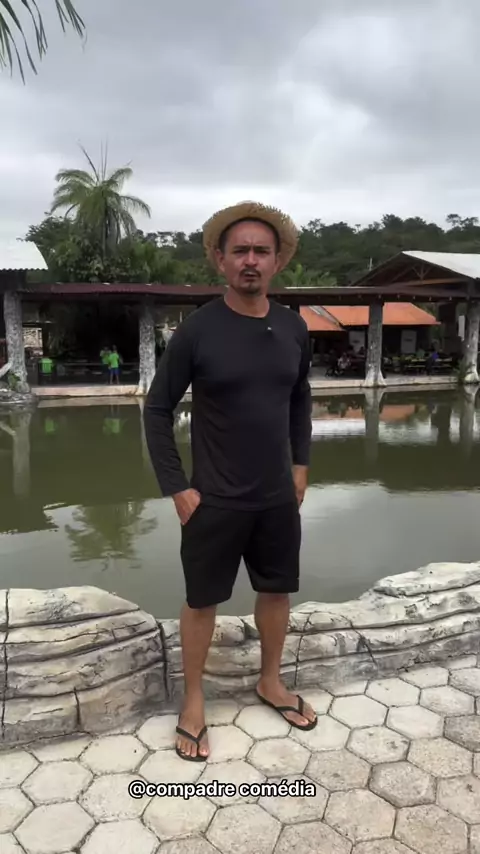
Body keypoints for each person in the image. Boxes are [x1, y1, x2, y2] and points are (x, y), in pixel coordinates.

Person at [143, 201, 317, 763]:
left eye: (261, 251)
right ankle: (193, 700)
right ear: (220, 260)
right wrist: (178, 487)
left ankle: (270, 680)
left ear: (276, 261)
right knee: (201, 601)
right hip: (212, 498)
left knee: (277, 590)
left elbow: (300, 398)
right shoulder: (198, 330)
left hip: (277, 496)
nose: (250, 261)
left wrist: (301, 465)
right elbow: (157, 409)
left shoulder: (293, 327)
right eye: (239, 250)